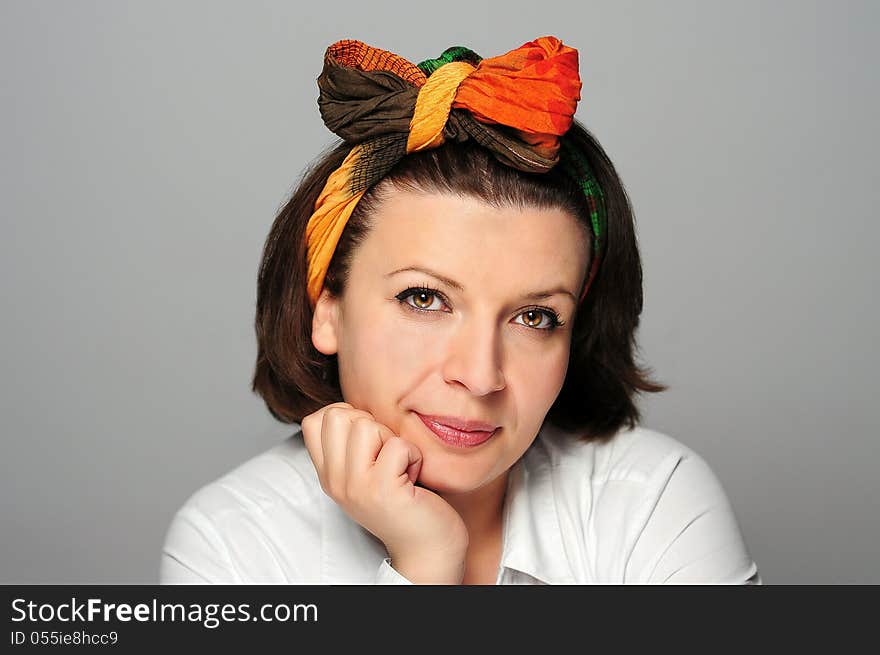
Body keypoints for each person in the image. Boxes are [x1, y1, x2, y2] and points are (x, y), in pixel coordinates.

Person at [159, 36, 761, 585]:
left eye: (535, 317)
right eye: (424, 299)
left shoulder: (654, 503)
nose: (479, 376)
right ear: (327, 310)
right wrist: (424, 565)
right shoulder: (233, 545)